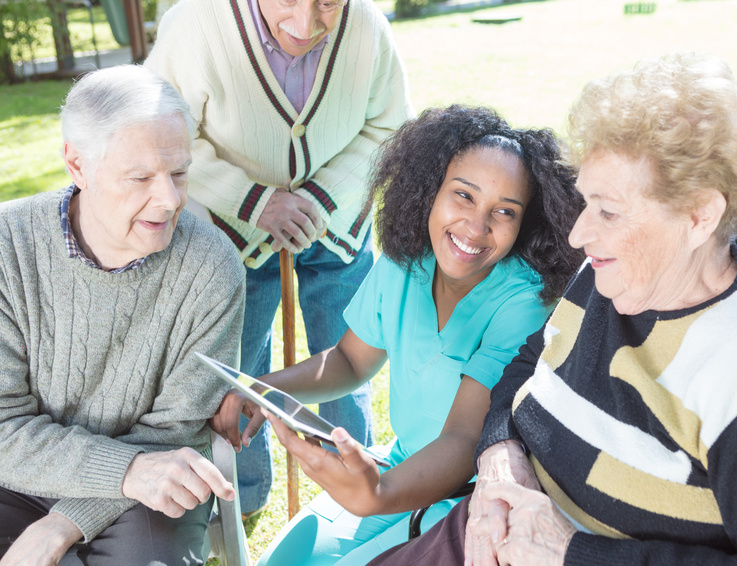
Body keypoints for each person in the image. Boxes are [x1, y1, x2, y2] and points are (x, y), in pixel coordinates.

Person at [366, 53, 737, 566]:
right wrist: (499, 452)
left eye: (608, 211)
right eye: (586, 202)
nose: (579, 234)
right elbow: (530, 365)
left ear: (699, 215)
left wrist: (573, 552)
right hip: (479, 533)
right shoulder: (608, 273)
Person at [212, 105, 585, 565]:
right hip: (402, 462)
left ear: (524, 224)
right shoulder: (404, 263)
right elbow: (352, 361)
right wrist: (266, 389)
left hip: (471, 492)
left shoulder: (523, 302)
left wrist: (378, 493)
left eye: (503, 212)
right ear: (430, 190)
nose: (476, 226)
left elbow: (466, 438)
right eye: (463, 196)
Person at [144, 0, 414, 515]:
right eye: (287, 1)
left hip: (337, 225)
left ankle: (359, 493)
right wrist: (256, 201)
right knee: (237, 371)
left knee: (346, 355)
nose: (304, 25)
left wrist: (320, 198)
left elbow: (390, 128)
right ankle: (241, 497)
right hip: (234, 233)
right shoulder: (194, 24)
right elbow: (163, 134)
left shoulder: (368, 28)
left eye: (327, 5)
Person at [0, 65, 245, 566]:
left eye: (179, 172)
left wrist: (64, 522)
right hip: (16, 474)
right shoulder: (8, 248)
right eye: (141, 178)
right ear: (77, 165)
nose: (171, 200)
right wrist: (126, 470)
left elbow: (175, 433)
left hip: (153, 482)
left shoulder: (213, 268)